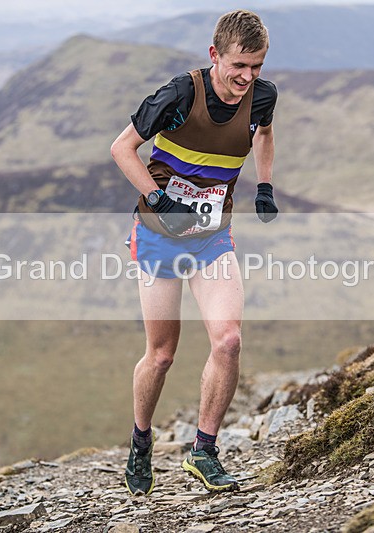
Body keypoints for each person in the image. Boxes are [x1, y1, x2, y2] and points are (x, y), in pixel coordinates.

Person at [110, 9, 278, 495]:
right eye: (238, 66)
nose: (248, 77)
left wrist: (263, 187)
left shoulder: (263, 97)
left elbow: (263, 133)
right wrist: (161, 200)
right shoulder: (180, 94)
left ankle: (203, 451)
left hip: (211, 237)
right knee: (161, 356)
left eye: (257, 67)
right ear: (215, 56)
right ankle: (141, 442)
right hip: (160, 233)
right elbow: (122, 149)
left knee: (228, 340)